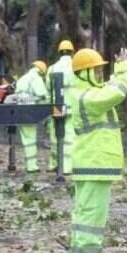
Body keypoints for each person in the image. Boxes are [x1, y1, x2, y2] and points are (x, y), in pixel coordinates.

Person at [66, 47, 127, 253]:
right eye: (95, 70)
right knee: (92, 214)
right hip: (94, 163)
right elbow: (115, 93)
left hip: (90, 163)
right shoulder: (86, 97)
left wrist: (116, 71)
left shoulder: (84, 93)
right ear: (84, 72)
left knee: (85, 211)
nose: (98, 74)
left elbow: (107, 88)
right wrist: (126, 68)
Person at [14, 60, 49, 174]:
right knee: (31, 139)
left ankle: (29, 165)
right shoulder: (36, 78)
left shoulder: (22, 78)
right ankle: (32, 167)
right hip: (29, 112)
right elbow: (42, 94)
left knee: (26, 139)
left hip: (19, 111)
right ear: (41, 72)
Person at [47, 40, 77, 174]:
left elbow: (48, 87)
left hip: (56, 105)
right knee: (69, 136)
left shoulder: (52, 68)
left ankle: (54, 164)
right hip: (72, 105)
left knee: (55, 135)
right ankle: (67, 167)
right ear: (72, 52)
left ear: (59, 52)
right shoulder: (76, 66)